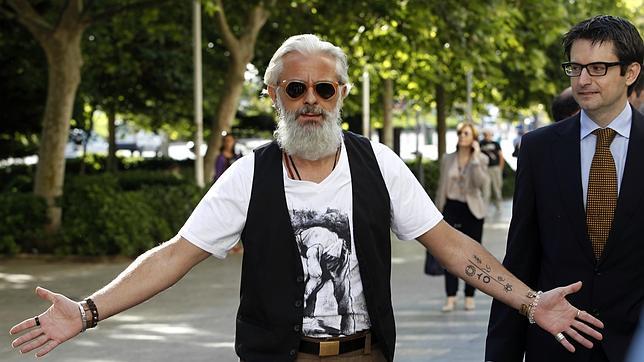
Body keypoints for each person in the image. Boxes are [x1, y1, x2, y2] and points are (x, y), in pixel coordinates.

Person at [10, 34, 604, 362]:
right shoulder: (249, 175)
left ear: (341, 92)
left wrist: (530, 303)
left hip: (366, 355)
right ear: (274, 95)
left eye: (324, 87)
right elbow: (174, 255)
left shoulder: (378, 163)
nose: (311, 99)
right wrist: (86, 312)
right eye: (297, 88)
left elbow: (449, 243)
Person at [486, 15, 643, 362]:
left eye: (598, 68)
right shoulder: (539, 149)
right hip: (556, 343)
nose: (583, 80)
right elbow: (521, 258)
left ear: (630, 73)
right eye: (575, 68)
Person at [434, 122, 489, 312]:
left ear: (473, 138)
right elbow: (442, 185)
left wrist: (474, 159)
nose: (461, 136)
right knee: (448, 253)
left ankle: (469, 295)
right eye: (459, 133)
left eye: (465, 133)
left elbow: (480, 183)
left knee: (473, 256)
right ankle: (450, 297)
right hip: (451, 208)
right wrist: (436, 210)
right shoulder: (448, 158)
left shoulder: (481, 159)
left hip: (472, 210)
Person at [480, 128, 505, 211]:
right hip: (485, 169)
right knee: (485, 189)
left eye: (489, 134)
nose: (487, 136)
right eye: (485, 134)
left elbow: (501, 156)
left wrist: (500, 168)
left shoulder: (496, 144)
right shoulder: (481, 144)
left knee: (497, 188)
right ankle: (484, 208)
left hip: (495, 168)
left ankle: (498, 205)